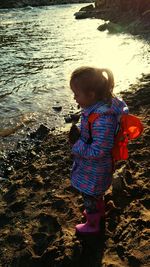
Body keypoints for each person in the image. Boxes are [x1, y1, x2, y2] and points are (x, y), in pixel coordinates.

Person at [69, 66, 129, 235]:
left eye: (76, 94)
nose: (74, 98)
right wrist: (81, 132)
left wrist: (76, 144)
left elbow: (99, 150)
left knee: (90, 196)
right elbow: (94, 135)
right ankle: (98, 212)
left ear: (91, 95)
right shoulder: (96, 108)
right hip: (94, 168)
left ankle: (93, 224)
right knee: (95, 196)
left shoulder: (103, 119)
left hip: (95, 170)